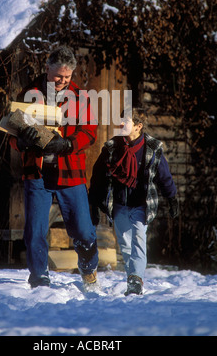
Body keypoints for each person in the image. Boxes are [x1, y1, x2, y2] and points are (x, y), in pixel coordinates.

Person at [9, 46, 99, 289]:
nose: (62, 81)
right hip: (37, 172)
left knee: (83, 230)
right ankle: (39, 279)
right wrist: (21, 141)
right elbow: (11, 132)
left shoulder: (81, 98)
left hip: (70, 170)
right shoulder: (29, 93)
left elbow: (90, 133)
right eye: (58, 75)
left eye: (67, 77)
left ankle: (89, 269)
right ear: (47, 68)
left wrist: (68, 143)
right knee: (35, 231)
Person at [88, 107, 178, 295]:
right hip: (119, 204)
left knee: (138, 239)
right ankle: (133, 279)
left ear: (138, 126)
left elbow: (164, 176)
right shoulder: (112, 147)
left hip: (141, 205)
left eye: (126, 121)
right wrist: (94, 202)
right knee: (125, 244)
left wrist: (172, 198)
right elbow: (98, 177)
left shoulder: (152, 148)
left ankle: (135, 280)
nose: (121, 124)